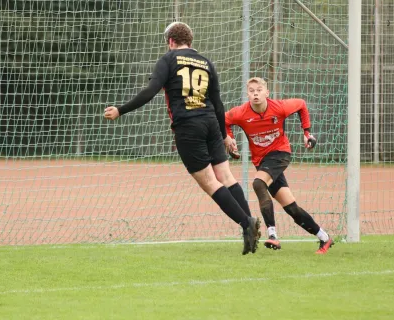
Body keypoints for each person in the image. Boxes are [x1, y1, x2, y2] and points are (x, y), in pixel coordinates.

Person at [104, 22, 261, 255]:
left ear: (170, 41)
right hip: (209, 123)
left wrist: (121, 109)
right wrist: (225, 135)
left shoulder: (168, 60)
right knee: (226, 176)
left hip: (189, 127)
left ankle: (246, 224)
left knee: (210, 182)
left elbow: (149, 92)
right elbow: (218, 105)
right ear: (190, 40)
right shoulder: (206, 63)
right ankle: (249, 223)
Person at [224, 77, 334, 254]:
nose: (255, 93)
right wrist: (229, 140)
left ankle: (272, 235)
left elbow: (301, 104)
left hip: (280, 154)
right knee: (292, 209)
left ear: (267, 93)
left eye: (259, 90)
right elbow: (224, 121)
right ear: (247, 94)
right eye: (251, 91)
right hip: (262, 161)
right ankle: (325, 238)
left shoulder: (279, 107)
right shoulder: (241, 113)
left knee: (258, 184)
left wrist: (307, 133)